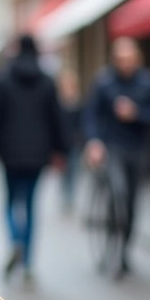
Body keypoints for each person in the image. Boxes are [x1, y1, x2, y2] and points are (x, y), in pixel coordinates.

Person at [0, 34, 67, 282]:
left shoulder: (3, 78)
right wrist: (60, 149)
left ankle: (15, 240)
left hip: (10, 152)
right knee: (31, 205)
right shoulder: (47, 81)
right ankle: (28, 261)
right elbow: (57, 118)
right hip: (37, 153)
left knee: (10, 202)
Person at [83, 36, 150, 276]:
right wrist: (94, 142)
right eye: (121, 59)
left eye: (129, 59)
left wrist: (136, 113)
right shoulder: (104, 81)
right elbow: (91, 115)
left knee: (131, 202)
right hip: (112, 147)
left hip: (139, 150)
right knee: (117, 192)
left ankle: (124, 250)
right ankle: (111, 237)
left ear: (136, 59)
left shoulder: (148, 82)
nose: (125, 63)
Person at [57, 68, 85, 213]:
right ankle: (65, 196)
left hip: (74, 143)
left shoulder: (78, 102)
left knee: (73, 171)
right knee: (63, 172)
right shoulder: (58, 102)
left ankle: (70, 197)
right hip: (62, 144)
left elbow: (82, 123)